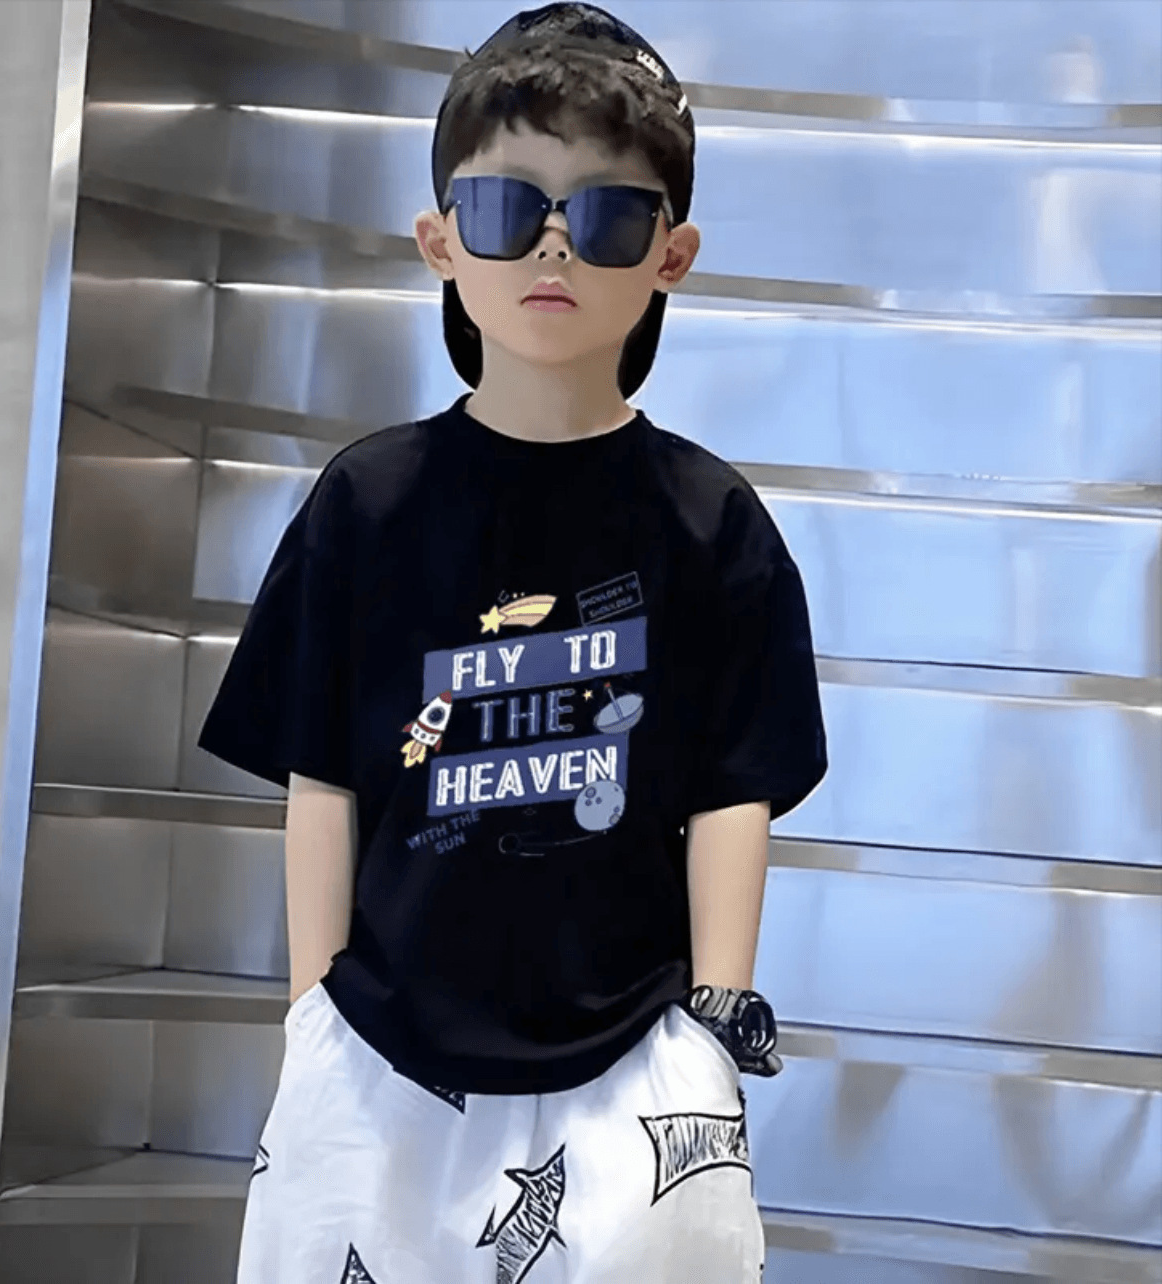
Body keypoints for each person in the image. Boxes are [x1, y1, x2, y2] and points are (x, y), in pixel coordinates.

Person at [197, 5, 827, 1281]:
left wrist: (714, 1023)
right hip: (376, 1064)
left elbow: (735, 791)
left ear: (672, 255)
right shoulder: (367, 504)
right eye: (504, 209)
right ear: (439, 240)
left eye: (607, 216)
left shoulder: (713, 524)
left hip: (638, 1066)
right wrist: (313, 1012)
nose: (554, 244)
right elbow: (321, 773)